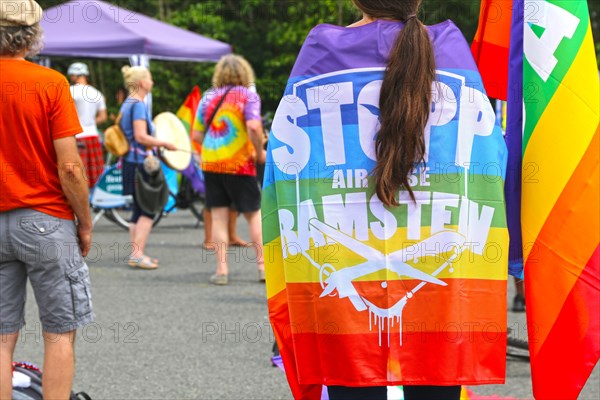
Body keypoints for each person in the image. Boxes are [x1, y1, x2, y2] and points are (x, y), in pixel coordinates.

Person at [262, 1, 509, 400]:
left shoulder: (321, 52)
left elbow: (283, 167)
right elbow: (491, 157)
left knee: (351, 380)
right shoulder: (449, 48)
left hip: (339, 261)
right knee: (436, 381)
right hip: (443, 268)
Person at [0, 1, 94, 399]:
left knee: (2, 336)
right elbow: (70, 167)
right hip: (46, 219)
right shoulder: (50, 83)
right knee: (58, 333)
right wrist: (85, 221)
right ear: (33, 35)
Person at [192, 54, 266, 285]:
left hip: (212, 163)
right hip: (239, 163)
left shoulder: (207, 98)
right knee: (253, 215)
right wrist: (260, 151)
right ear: (245, 74)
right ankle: (263, 267)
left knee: (219, 217)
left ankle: (222, 270)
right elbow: (254, 126)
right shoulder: (249, 97)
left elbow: (196, 134)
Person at [119, 65, 177, 270]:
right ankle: (137, 254)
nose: (152, 82)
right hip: (140, 163)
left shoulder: (127, 103)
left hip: (129, 162)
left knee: (137, 209)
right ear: (143, 82)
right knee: (148, 209)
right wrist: (164, 143)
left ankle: (136, 252)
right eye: (150, 79)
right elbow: (141, 136)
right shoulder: (139, 105)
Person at [68, 62, 108, 188]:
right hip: (93, 136)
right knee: (94, 173)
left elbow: (68, 114)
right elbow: (103, 117)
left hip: (77, 137)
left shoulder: (71, 91)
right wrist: (89, 122)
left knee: (78, 174)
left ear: (75, 75)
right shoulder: (97, 93)